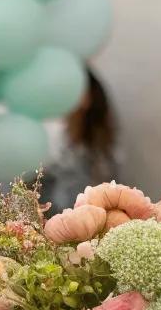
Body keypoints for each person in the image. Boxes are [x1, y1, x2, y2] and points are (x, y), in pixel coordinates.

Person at [40, 71, 122, 215]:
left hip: (89, 220)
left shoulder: (101, 147)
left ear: (87, 96)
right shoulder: (51, 134)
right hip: (51, 221)